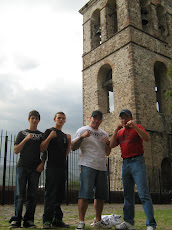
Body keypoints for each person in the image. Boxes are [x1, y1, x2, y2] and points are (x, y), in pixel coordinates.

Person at [110, 109, 157, 230]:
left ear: (131, 118)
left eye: (126, 117)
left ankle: (151, 224)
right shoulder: (120, 133)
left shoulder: (138, 127)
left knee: (143, 193)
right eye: (122, 118)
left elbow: (146, 138)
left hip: (137, 161)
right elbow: (111, 145)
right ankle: (129, 222)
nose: (124, 120)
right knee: (127, 194)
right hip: (125, 163)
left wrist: (135, 126)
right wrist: (116, 130)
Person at [71, 110, 112, 230]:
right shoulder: (82, 130)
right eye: (94, 118)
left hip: (101, 167)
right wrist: (82, 137)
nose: (96, 120)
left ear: (101, 121)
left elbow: (108, 152)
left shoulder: (104, 133)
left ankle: (98, 221)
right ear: (90, 118)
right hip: (87, 165)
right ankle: (81, 222)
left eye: (99, 118)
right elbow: (73, 147)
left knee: (100, 196)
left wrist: (108, 143)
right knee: (84, 194)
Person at [9, 110, 46, 228]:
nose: (34, 120)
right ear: (28, 119)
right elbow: (16, 150)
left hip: (35, 168)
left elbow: (44, 151)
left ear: (39, 120)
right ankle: (17, 219)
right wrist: (26, 139)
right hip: (22, 166)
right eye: (32, 118)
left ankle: (29, 220)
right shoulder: (22, 133)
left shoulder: (41, 135)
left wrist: (43, 163)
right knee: (19, 193)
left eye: (36, 118)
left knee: (32, 195)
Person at [40, 112, 71, 229]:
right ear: (54, 119)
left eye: (63, 118)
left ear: (65, 121)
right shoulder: (49, 131)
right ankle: (46, 220)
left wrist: (69, 142)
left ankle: (57, 219)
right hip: (52, 167)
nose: (61, 120)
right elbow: (42, 148)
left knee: (59, 195)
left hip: (62, 167)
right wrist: (49, 137)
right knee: (50, 194)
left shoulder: (63, 135)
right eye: (59, 118)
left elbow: (66, 153)